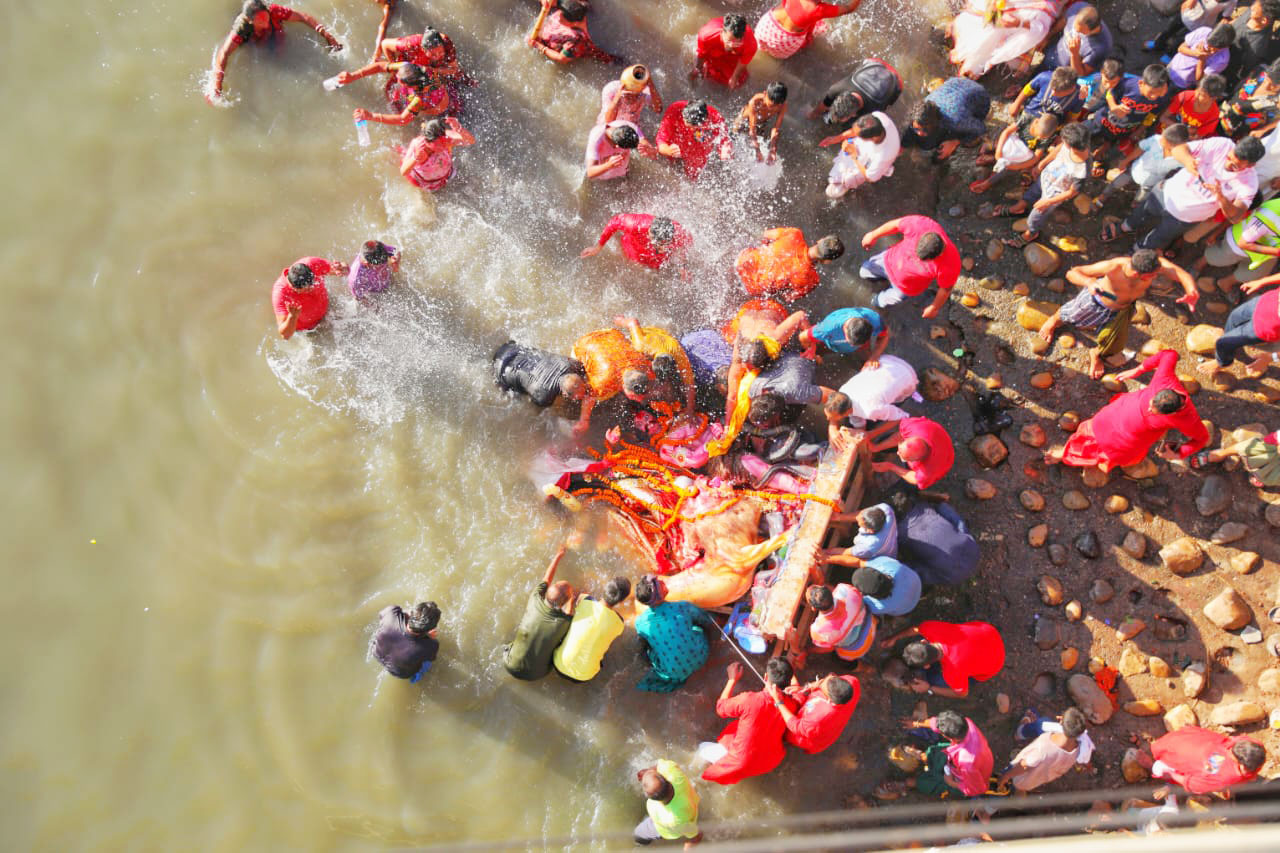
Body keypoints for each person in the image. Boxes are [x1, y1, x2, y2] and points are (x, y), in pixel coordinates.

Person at [1038, 250, 1199, 378]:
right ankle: (1053, 322)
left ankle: (1096, 354)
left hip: (1123, 309)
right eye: (1152, 276)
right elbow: (1072, 273)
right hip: (1096, 303)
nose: (1157, 276)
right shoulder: (1115, 266)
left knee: (1113, 340)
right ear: (1137, 274)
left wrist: (1191, 290)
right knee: (1069, 314)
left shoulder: (1155, 264)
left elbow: (1182, 275)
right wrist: (1089, 282)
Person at [1046, 349, 1209, 470]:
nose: (1149, 409)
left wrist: (1179, 453)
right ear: (1162, 391)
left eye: (1154, 411)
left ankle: (1066, 455)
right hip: (1113, 416)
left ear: (1172, 413)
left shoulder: (1188, 419)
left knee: (1101, 448)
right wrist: (1138, 369)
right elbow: (1169, 354)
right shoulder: (1164, 379)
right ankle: (1068, 453)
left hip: (1125, 440)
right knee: (1092, 431)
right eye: (1151, 403)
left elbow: (1202, 439)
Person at [1108, 134, 1263, 251]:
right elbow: (1179, 149)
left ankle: (1135, 251)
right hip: (1165, 193)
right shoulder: (1222, 144)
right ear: (1236, 144)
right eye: (1229, 157)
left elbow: (1236, 216)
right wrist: (1189, 161)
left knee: (1159, 237)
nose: (1228, 164)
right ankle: (1124, 228)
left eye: (1236, 166)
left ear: (1251, 165)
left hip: (1184, 218)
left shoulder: (1250, 182)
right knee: (1142, 212)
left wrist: (1221, 198)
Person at [207, 0, 342, 103]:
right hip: (254, 42)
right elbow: (223, 53)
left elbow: (303, 17)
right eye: (260, 20)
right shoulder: (242, 28)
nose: (265, 21)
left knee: (279, 50)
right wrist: (217, 86)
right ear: (250, 20)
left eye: (266, 17)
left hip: (274, 36)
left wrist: (327, 35)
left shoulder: (274, 11)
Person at [996, 122, 1092, 248]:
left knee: (1036, 216)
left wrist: (1048, 202)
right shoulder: (1069, 145)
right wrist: (1042, 164)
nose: (1061, 142)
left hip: (1054, 194)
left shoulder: (1082, 168)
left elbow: (1072, 192)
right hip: (1046, 178)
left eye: (1064, 141)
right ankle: (1018, 208)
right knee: (1032, 193)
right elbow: (1058, 149)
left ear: (1071, 147)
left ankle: (1031, 233)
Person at [700, 660, 792, 785]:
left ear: (765, 677)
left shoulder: (749, 700)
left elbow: (721, 708)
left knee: (701, 749)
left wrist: (732, 679)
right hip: (769, 762)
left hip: (741, 760)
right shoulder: (792, 704)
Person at [859, 216, 961, 319]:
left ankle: (877, 300)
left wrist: (934, 307)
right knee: (864, 271)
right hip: (888, 260)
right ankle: (878, 280)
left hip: (905, 287)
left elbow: (945, 289)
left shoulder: (951, 264)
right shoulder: (920, 225)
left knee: (881, 301)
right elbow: (896, 225)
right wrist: (873, 235)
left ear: (938, 255)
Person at [880, 711, 994, 798]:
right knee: (933, 752)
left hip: (962, 779)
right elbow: (936, 723)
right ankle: (926, 760)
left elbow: (978, 789)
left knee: (927, 783)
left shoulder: (967, 762)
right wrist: (916, 723)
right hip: (956, 762)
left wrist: (952, 782)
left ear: (949, 737)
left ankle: (906, 784)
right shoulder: (966, 724)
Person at [502, 545, 575, 680]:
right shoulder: (564, 622)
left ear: (547, 592)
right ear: (563, 603)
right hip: (535, 675)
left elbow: (547, 578)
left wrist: (558, 555)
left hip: (508, 664)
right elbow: (569, 613)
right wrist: (572, 598)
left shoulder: (534, 598)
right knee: (559, 644)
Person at [883, 619, 1006, 698]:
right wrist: (894, 638)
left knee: (935, 679)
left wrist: (929, 688)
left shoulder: (952, 672)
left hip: (995, 663)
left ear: (927, 666)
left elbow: (962, 694)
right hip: (988, 632)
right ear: (923, 642)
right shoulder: (930, 628)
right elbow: (916, 629)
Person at [1083, 64, 1173, 172]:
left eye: (1159, 94)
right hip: (1103, 121)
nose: (1154, 97)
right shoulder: (1128, 84)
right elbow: (1110, 93)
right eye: (1151, 93)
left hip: (1124, 130)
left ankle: (1103, 149)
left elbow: (1152, 115)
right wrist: (1113, 107)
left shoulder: (1162, 98)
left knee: (1111, 144)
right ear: (1141, 83)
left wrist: (1140, 130)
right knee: (1081, 132)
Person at [634, 574, 714, 693]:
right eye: (658, 583)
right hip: (700, 658)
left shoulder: (640, 623)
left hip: (673, 671)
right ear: (659, 594)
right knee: (696, 627)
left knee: (650, 647)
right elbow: (706, 620)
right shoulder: (682, 607)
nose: (662, 581)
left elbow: (642, 646)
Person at [948, 0, 1068, 80]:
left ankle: (975, 68)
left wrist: (1020, 23)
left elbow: (1040, 29)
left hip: (1020, 30)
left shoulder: (1045, 8)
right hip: (996, 19)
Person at [1093, 123, 1192, 212]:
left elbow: (1182, 173)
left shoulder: (1182, 157)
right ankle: (1102, 197)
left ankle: (1134, 206)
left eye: (1165, 140)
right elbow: (1141, 148)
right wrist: (1125, 161)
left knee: (1140, 198)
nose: (1161, 140)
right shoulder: (1156, 139)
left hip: (1151, 183)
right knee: (1115, 184)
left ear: (1174, 146)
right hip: (1135, 170)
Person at [570, 328, 654, 435]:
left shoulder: (642, 364)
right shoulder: (604, 383)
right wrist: (584, 421)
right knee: (597, 394)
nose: (640, 399)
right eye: (635, 396)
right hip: (583, 343)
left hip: (609, 332)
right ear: (624, 386)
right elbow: (588, 396)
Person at [887, 490, 980, 585]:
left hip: (955, 573)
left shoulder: (900, 533)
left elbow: (914, 569)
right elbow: (952, 516)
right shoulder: (924, 506)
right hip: (972, 552)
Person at [1139, 726, 1266, 794]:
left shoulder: (1249, 744)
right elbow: (1193, 784)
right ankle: (1149, 765)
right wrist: (1171, 775)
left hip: (1186, 739)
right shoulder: (1222, 774)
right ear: (1242, 767)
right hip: (1175, 756)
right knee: (1160, 769)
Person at [616, 316, 698, 415]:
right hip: (651, 334)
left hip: (667, 340)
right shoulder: (641, 345)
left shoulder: (681, 358)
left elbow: (689, 384)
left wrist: (689, 410)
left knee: (676, 384)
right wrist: (621, 321)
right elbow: (632, 322)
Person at [735, 228, 844, 302]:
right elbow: (788, 297)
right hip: (751, 288)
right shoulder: (811, 280)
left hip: (741, 261)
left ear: (820, 240)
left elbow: (765, 235)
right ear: (827, 261)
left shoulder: (794, 234)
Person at [998, 708, 1093, 792]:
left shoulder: (1043, 748)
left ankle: (1020, 732)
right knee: (1043, 722)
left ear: (1061, 721)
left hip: (1020, 779)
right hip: (1037, 779)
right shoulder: (1079, 750)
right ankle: (1019, 790)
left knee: (1005, 775)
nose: (1059, 717)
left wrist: (1006, 776)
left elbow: (1024, 765)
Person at [553, 577, 629, 682]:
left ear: (605, 589)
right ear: (621, 601)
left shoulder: (585, 600)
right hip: (584, 677)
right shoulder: (619, 623)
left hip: (558, 664)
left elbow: (578, 597)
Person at [899, 78, 991, 161]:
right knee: (923, 140)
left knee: (965, 141)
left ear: (935, 123)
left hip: (980, 99)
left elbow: (981, 128)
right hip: (957, 83)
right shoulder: (924, 106)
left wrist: (955, 142)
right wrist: (901, 148)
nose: (919, 133)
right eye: (916, 129)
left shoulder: (955, 120)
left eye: (925, 129)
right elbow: (914, 127)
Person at [1196, 196, 1280, 286]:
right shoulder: (1269, 214)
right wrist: (1276, 252)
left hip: (1266, 254)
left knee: (1256, 273)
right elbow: (1244, 244)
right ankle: (1199, 264)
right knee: (1218, 257)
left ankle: (1224, 283)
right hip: (1238, 242)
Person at [968, 113, 1060, 195]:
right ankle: (991, 157)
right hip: (1012, 141)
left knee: (1007, 168)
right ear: (1036, 122)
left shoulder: (1046, 138)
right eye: (1038, 134)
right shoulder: (1027, 118)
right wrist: (998, 151)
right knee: (991, 146)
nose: (1039, 138)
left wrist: (1016, 166)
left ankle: (988, 182)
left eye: (1042, 137)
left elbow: (1035, 158)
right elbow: (1006, 132)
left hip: (1023, 153)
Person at [769, 673, 860, 754]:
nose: (820, 682)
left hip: (808, 735)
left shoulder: (819, 718)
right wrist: (805, 688)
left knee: (786, 735)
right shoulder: (851, 682)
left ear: (829, 700)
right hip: (827, 726)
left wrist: (779, 701)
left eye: (822, 686)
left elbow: (796, 726)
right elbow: (822, 683)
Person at [821, 112, 901, 199]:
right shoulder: (878, 116)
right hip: (864, 149)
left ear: (871, 138)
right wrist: (838, 138)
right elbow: (855, 131)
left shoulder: (882, 158)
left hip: (871, 161)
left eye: (859, 135)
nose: (855, 134)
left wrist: (854, 156)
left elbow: (870, 178)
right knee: (843, 163)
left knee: (846, 181)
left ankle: (845, 185)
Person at [1212, 271, 1280, 372]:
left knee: (1222, 343)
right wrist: (1262, 281)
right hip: (1264, 301)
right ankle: (1230, 347)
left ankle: (1223, 362)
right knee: (1233, 317)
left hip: (1262, 329)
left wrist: (1270, 358)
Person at [350, 63, 453, 129]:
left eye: (399, 79)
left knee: (419, 119)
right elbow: (380, 66)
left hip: (436, 107)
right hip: (432, 90)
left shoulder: (420, 99)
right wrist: (353, 75)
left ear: (411, 86)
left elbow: (402, 119)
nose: (396, 75)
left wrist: (371, 116)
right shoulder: (408, 68)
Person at [581, 214, 692, 273]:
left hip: (656, 262)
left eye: (666, 244)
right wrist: (598, 247)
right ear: (650, 233)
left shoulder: (678, 232)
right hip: (631, 250)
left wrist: (682, 267)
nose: (664, 248)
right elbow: (615, 222)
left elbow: (685, 245)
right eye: (659, 244)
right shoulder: (636, 225)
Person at [811, 58, 904, 129]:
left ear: (853, 114)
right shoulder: (836, 89)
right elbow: (820, 108)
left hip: (896, 79)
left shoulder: (872, 110)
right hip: (875, 62)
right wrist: (812, 115)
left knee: (850, 126)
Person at [866, 416, 955, 489]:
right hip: (935, 435)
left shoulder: (927, 471)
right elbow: (900, 436)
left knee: (910, 486)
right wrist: (876, 448)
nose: (897, 453)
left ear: (916, 461)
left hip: (946, 457)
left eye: (905, 458)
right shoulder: (913, 427)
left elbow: (915, 478)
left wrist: (891, 467)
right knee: (884, 441)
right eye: (900, 449)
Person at [272, 256, 349, 339]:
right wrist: (292, 316)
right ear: (294, 288)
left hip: (328, 309)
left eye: (312, 284)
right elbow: (285, 336)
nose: (312, 288)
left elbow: (344, 269)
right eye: (306, 289)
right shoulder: (281, 294)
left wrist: (342, 268)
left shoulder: (312, 264)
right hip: (311, 330)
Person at [492, 341, 587, 409]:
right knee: (514, 397)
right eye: (578, 398)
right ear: (565, 394)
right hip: (500, 369)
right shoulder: (544, 396)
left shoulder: (569, 363)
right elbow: (536, 405)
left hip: (512, 347)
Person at [754, 1, 861, 60]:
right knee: (823, 28)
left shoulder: (817, 9)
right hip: (784, 43)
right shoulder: (819, 9)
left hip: (765, 26)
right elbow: (849, 8)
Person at [1187, 420, 1280, 486]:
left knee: (1270, 477)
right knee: (1249, 447)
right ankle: (1223, 453)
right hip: (1273, 449)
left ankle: (1261, 476)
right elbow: (1271, 440)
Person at [823, 555, 922, 617]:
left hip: (906, 607)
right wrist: (827, 558)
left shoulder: (877, 606)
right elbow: (859, 562)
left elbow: (848, 601)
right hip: (916, 586)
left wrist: (823, 587)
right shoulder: (889, 565)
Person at [656, 100, 732, 180]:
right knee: (669, 165)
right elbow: (661, 141)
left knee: (693, 175)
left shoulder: (714, 117)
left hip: (698, 142)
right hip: (676, 139)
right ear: (683, 114)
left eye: (694, 127)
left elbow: (724, 138)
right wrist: (668, 150)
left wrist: (724, 152)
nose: (691, 129)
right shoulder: (675, 110)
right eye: (689, 125)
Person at [527, 0, 619, 65]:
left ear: (573, 23)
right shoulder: (579, 5)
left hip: (597, 48)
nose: (559, 17)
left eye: (562, 18)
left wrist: (539, 46)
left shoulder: (577, 39)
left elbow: (562, 58)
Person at [634, 761, 702, 848]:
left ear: (652, 798)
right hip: (691, 805)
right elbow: (659, 766)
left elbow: (695, 835)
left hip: (665, 828)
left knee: (638, 835)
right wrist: (648, 773)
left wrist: (688, 848)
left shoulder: (674, 818)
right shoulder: (674, 774)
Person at [803, 582, 877, 661]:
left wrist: (807, 650)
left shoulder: (819, 631)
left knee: (838, 656)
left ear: (813, 608)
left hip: (858, 650)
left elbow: (829, 648)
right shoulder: (846, 590)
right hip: (870, 625)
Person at [398, 117, 474, 191]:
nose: (443, 145)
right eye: (439, 144)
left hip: (447, 174)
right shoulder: (418, 147)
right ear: (428, 142)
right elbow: (403, 171)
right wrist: (415, 158)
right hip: (426, 182)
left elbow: (471, 141)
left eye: (443, 141)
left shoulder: (446, 137)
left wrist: (459, 129)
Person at [370, 601, 440, 682]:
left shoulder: (391, 612)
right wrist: (429, 637)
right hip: (399, 673)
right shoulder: (432, 645)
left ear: (412, 613)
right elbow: (431, 658)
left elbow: (381, 615)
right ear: (430, 629)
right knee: (427, 663)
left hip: (376, 653)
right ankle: (417, 676)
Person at [799, 306, 890, 364]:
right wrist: (811, 351)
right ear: (845, 328)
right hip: (830, 343)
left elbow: (884, 336)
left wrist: (874, 356)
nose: (852, 345)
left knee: (869, 363)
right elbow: (803, 336)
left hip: (859, 342)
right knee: (820, 356)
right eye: (850, 342)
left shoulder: (874, 320)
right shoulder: (828, 329)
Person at [1041, 3, 1112, 77]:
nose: (1076, 31)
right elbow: (1064, 21)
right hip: (1049, 55)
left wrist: (1074, 54)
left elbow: (1081, 74)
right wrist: (1047, 37)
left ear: (1092, 30)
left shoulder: (1101, 47)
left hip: (1061, 75)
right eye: (1075, 26)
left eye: (1080, 31)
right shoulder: (1077, 7)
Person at [1225, 0, 1280, 87]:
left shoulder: (1256, 47)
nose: (1252, 7)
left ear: (1264, 20)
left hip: (1227, 65)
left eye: (1254, 10)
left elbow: (1245, 70)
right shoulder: (1253, 13)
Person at [1220, 58, 1280, 137]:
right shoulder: (1259, 72)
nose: (1267, 85)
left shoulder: (1276, 102)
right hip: (1219, 114)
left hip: (1232, 133)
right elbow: (1238, 88)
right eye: (1267, 80)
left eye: (1273, 85)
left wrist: (1263, 130)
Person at [1167, 22, 1236, 90]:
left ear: (1226, 46)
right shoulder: (1203, 32)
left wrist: (1202, 59)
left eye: (1216, 50)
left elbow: (1200, 80)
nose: (1212, 51)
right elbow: (1180, 48)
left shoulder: (1223, 59)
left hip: (1181, 84)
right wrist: (1195, 53)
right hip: (1171, 67)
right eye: (1210, 46)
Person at [693, 14, 757, 88]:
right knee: (704, 72)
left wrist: (734, 77)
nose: (732, 45)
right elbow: (701, 54)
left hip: (733, 56)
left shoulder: (750, 44)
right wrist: (697, 69)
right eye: (729, 41)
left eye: (736, 42)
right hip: (715, 48)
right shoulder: (706, 36)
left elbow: (743, 61)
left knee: (740, 81)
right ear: (722, 31)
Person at [732, 82, 789, 163]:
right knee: (733, 139)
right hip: (744, 121)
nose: (772, 108)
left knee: (760, 146)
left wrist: (773, 149)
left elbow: (776, 129)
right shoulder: (755, 101)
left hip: (761, 123)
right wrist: (757, 150)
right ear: (765, 94)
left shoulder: (782, 105)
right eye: (771, 105)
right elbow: (752, 130)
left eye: (776, 106)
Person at [585, 120, 657, 181]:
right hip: (602, 179)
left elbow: (652, 152)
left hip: (623, 174)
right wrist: (609, 165)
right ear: (617, 146)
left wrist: (650, 150)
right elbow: (590, 172)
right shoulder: (596, 138)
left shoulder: (629, 127)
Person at [1161, 73, 1227, 139]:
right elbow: (1162, 117)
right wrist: (1180, 128)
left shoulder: (1213, 115)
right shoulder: (1184, 97)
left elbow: (1198, 137)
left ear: (1213, 98)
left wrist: (1189, 135)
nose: (1197, 94)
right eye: (1197, 90)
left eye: (1202, 95)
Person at [1009, 66, 1085, 122]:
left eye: (1058, 91)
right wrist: (1016, 104)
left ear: (1072, 89)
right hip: (1029, 112)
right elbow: (1027, 90)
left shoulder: (1079, 97)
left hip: (1048, 127)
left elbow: (1071, 118)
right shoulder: (1044, 77)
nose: (1053, 93)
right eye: (1052, 88)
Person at [598, 64, 664, 127]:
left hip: (631, 125)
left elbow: (658, 109)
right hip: (606, 126)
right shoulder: (611, 90)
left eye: (635, 95)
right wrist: (618, 97)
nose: (632, 98)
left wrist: (650, 84)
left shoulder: (643, 92)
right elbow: (608, 121)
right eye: (628, 95)